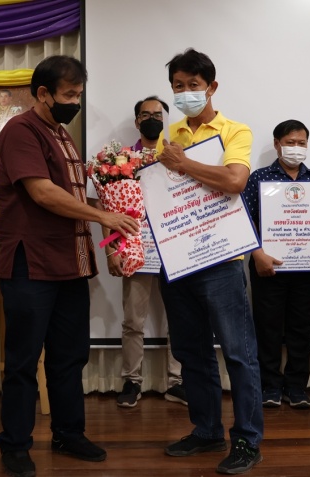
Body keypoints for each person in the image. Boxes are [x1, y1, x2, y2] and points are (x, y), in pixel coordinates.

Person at [0, 55, 139, 477]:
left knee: (70, 357)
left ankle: (68, 433)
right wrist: (104, 215)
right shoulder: (20, 130)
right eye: (69, 95)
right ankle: (15, 444)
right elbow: (42, 193)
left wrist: (116, 214)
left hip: (71, 263)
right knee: (24, 360)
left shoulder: (62, 135)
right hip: (31, 264)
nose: (75, 103)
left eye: (79, 95)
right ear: (43, 93)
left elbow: (73, 198)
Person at [156, 48, 263, 475]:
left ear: (211, 87)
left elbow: (235, 180)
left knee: (238, 352)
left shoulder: (235, 131)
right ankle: (207, 430)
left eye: (193, 85)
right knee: (190, 351)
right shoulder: (170, 135)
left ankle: (248, 440)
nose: (185, 93)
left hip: (221, 259)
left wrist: (184, 163)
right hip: (177, 259)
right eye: (177, 86)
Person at [242, 119, 310, 410]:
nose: (296, 148)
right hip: (269, 267)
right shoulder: (259, 178)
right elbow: (244, 218)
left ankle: (296, 387)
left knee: (302, 328)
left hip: (309, 268)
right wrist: (257, 254)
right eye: (290, 143)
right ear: (277, 144)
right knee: (268, 328)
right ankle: (270, 386)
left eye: (301, 143)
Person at [108, 96, 185, 408]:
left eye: (157, 114)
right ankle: (132, 381)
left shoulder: (178, 156)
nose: (152, 119)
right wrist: (112, 248)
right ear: (137, 121)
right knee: (133, 321)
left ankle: (177, 382)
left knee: (179, 319)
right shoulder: (120, 160)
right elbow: (109, 207)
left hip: (175, 248)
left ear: (165, 120)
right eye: (145, 114)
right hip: (136, 247)